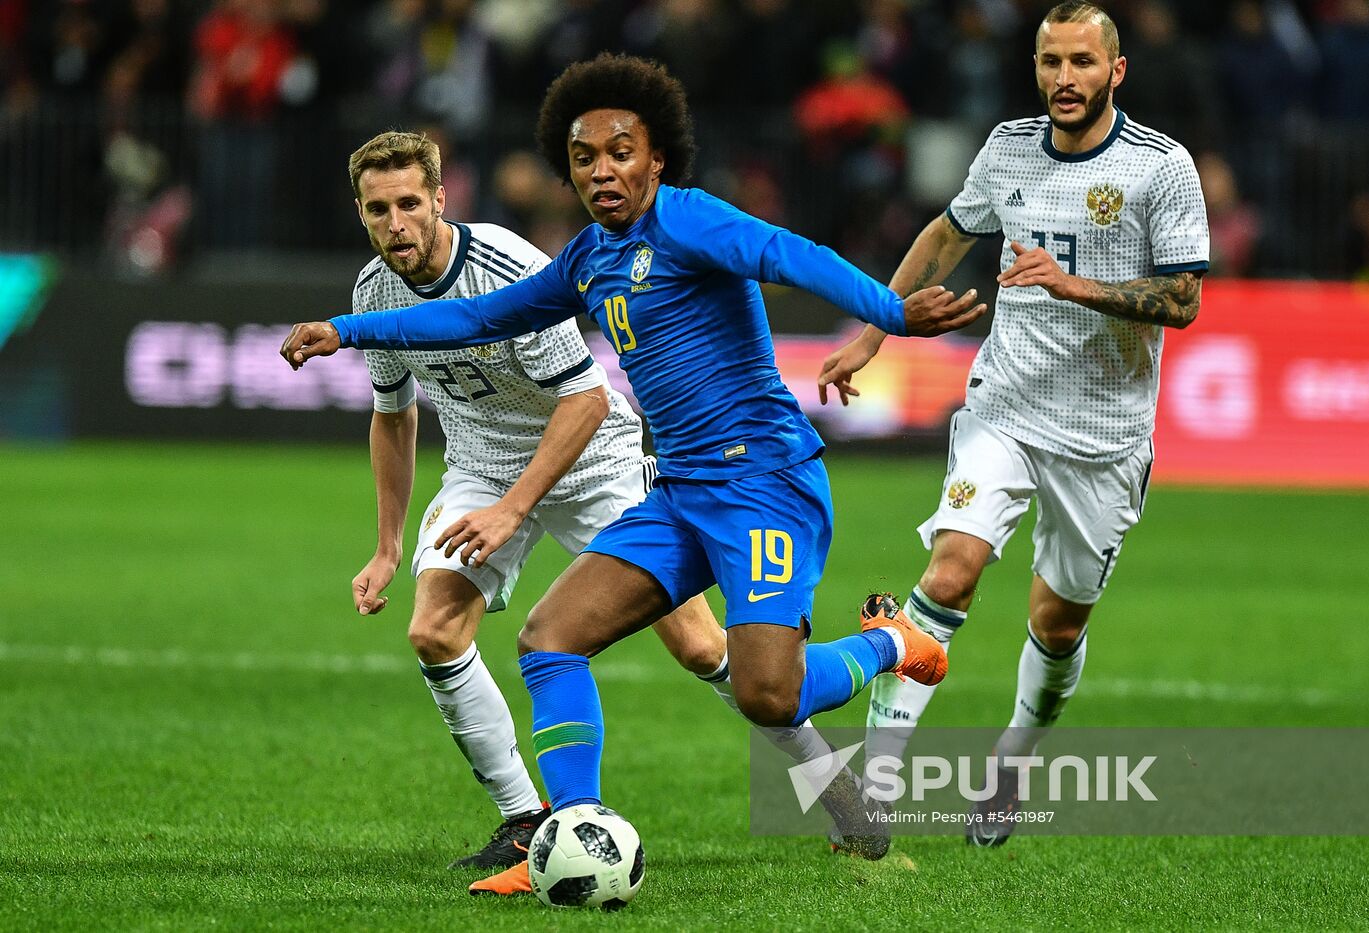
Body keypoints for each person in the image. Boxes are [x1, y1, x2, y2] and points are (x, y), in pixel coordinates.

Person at [283, 54, 984, 894]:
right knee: (549, 638)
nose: (602, 170)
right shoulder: (587, 256)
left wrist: (891, 311)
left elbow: (788, 252)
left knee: (769, 694)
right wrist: (348, 329)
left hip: (761, 482)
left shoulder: (690, 221)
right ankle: (565, 834)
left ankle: (893, 641)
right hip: (681, 492)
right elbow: (472, 315)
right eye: (584, 158)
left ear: (656, 158)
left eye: (621, 151)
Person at [338, 129, 843, 877]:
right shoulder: (372, 294)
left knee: (704, 649)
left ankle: (842, 795)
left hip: (589, 457)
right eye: (378, 209)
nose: (396, 223)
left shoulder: (505, 265)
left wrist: (514, 508)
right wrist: (387, 545)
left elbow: (583, 400)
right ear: (361, 212)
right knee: (435, 629)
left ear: (441, 199)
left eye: (410, 203)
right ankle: (525, 822)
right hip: (484, 468)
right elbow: (394, 413)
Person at [818, 1, 1208, 847]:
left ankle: (1014, 763)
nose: (1063, 79)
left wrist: (1078, 287)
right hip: (1005, 405)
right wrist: (872, 328)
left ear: (1116, 70)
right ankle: (876, 782)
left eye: (1080, 62)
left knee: (1057, 623)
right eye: (1049, 62)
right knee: (952, 570)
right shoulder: (1007, 147)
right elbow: (946, 233)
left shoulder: (1160, 168)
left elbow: (1184, 299)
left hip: (1105, 434)